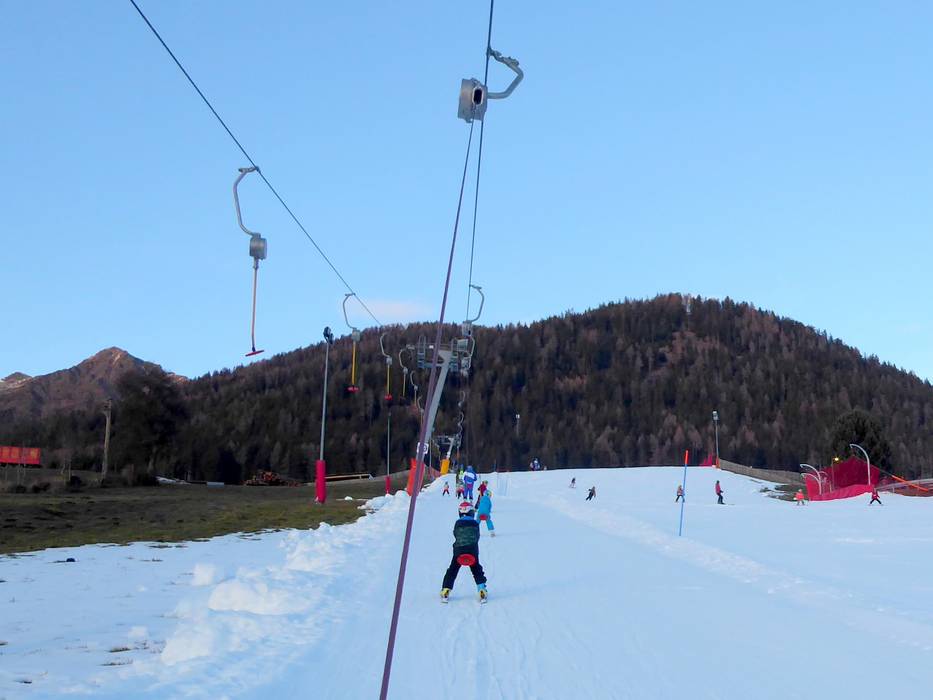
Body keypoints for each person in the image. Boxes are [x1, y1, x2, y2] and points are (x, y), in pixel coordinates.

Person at [440, 500, 488, 603]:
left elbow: (455, 534)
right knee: (476, 569)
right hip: (472, 551)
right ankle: (482, 589)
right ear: (472, 513)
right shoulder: (475, 523)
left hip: (459, 551)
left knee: (452, 570)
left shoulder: (457, 523)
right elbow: (477, 536)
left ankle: (446, 589)